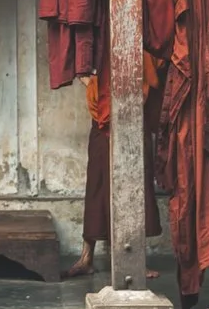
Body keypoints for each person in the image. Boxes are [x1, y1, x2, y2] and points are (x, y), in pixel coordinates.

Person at [64, 51, 161, 281]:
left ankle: (136, 262)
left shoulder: (140, 42)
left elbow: (154, 75)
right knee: (97, 186)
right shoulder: (99, 40)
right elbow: (81, 60)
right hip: (102, 119)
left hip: (135, 117)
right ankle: (86, 258)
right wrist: (89, 83)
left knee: (136, 187)